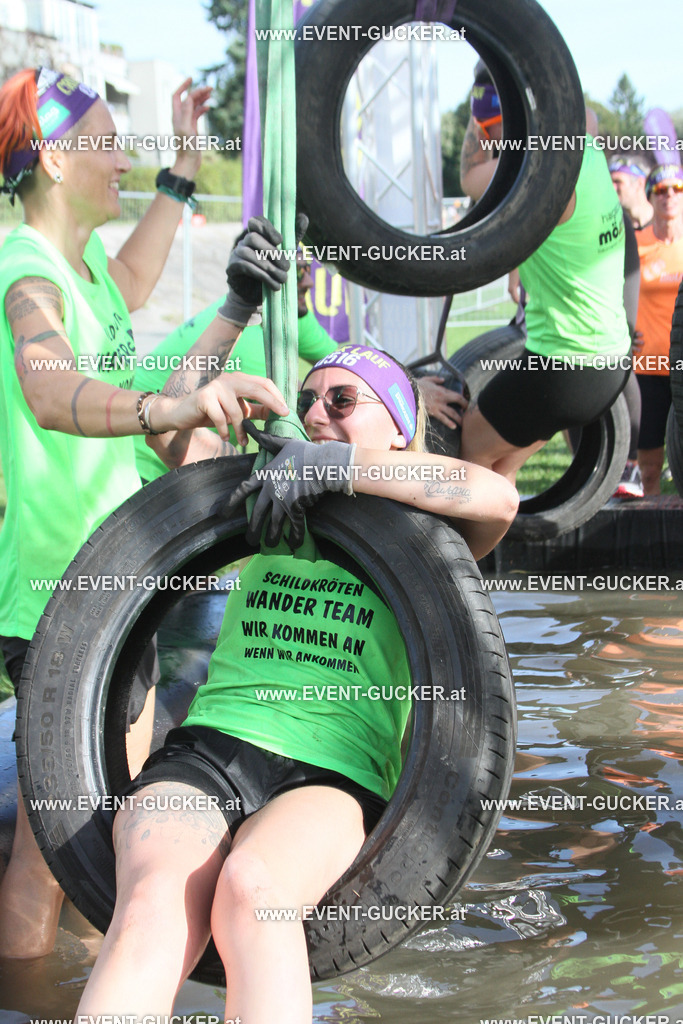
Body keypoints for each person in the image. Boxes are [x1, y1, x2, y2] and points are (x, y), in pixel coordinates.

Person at [76, 325, 518, 1018]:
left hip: (331, 775)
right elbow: (171, 432)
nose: (315, 414)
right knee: (153, 893)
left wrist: (335, 469)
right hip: (213, 746)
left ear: (399, 432)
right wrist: (235, 308)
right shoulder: (259, 494)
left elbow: (496, 497)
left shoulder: (437, 535)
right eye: (309, 399)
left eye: (342, 400)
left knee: (255, 892)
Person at [0, 67, 290, 959]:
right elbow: (51, 391)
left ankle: (80, 994)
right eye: (103, 139)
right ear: (54, 157)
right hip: (59, 597)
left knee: (89, 845)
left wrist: (181, 178)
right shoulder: (23, 266)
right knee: (49, 856)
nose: (116, 154)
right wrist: (165, 411)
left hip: (109, 590)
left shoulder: (87, 275)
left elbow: (134, 283)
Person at [458, 65, 631, 485]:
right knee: (500, 470)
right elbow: (584, 111)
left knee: (469, 450)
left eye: (496, 127)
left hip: (565, 366)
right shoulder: (582, 143)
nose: (494, 139)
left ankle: (459, 554)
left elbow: (468, 177)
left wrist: (475, 122)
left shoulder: (532, 171)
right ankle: (485, 550)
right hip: (608, 359)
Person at [633, 164, 683, 494]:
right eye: (661, 190)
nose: (669, 196)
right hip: (648, 365)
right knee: (649, 468)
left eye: (676, 189)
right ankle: (650, 538)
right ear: (650, 197)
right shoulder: (635, 244)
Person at [609, 158, 653, 231]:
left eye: (618, 182)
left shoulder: (664, 221)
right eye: (610, 183)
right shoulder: (613, 229)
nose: (612, 188)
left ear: (639, 184)